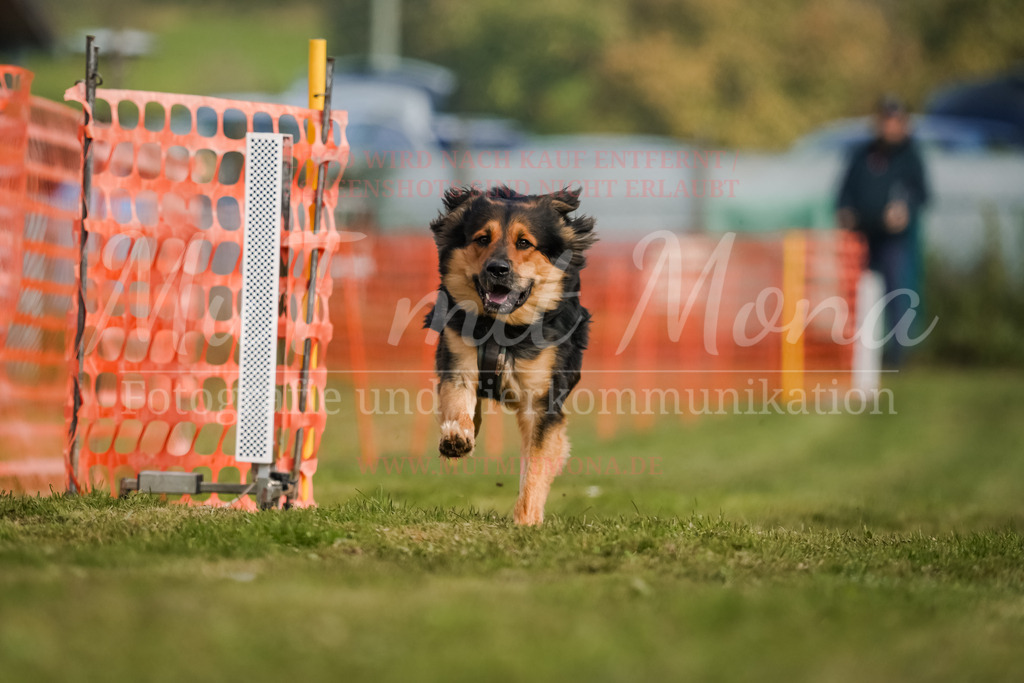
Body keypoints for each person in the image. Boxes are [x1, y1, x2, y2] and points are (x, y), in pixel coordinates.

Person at [836, 95, 930, 367]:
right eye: (885, 121)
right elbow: (844, 191)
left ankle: (897, 355)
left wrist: (904, 210)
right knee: (857, 294)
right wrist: (845, 209)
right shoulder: (862, 154)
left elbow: (921, 194)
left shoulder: (910, 156)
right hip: (862, 236)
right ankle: (856, 352)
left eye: (895, 121)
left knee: (896, 294)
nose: (890, 127)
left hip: (893, 239)